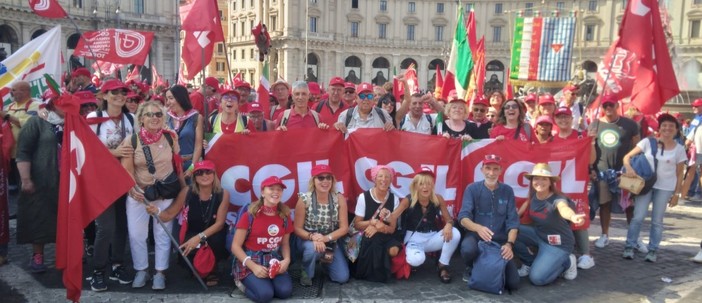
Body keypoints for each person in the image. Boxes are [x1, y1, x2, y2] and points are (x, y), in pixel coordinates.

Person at [121, 101, 184, 290]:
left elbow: (177, 166)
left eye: (158, 114)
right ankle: (141, 270)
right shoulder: (131, 140)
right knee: (136, 235)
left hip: (165, 193)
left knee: (163, 234)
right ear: (141, 118)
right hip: (139, 194)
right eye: (150, 115)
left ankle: (160, 272)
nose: (155, 118)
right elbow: (127, 172)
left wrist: (183, 190)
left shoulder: (171, 137)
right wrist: (134, 190)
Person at [85, 79, 135, 291]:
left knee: (122, 225)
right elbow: (87, 149)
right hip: (101, 180)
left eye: (123, 92)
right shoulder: (93, 118)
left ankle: (117, 264)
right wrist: (114, 153)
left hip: (124, 178)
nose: (119, 95)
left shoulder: (131, 117)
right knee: (105, 227)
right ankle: (98, 270)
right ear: (104, 96)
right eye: (114, 92)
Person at [147, 160, 230, 286]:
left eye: (208, 172)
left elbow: (219, 224)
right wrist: (156, 211)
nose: (204, 176)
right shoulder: (187, 192)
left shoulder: (223, 194)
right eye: (199, 173)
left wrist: (199, 238)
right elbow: (169, 214)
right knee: (188, 252)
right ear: (194, 177)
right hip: (191, 234)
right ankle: (198, 267)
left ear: (214, 175)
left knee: (217, 240)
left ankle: (213, 269)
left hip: (212, 234)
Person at [622, 114, 686, 262]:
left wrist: (677, 193)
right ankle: (630, 246)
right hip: (645, 186)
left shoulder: (679, 149)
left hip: (665, 188)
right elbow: (627, 157)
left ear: (676, 129)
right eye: (664, 125)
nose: (667, 128)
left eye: (671, 126)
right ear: (659, 128)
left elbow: (679, 172)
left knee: (657, 220)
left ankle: (653, 250)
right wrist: (629, 168)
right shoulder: (647, 142)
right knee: (638, 217)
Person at [15, 94, 64, 273]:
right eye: (60, 104)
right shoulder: (36, 123)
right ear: (51, 105)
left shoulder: (73, 122)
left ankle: (67, 254)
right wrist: (26, 179)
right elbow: (23, 152)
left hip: (66, 180)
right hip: (42, 178)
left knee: (66, 218)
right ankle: (38, 255)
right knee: (39, 217)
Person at [514, 163, 585, 286]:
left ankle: (567, 262)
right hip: (539, 235)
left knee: (537, 279)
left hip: (558, 244)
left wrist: (573, 216)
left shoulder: (558, 199)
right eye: (536, 178)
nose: (539, 182)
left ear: (550, 181)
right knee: (510, 230)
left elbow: (564, 209)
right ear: (531, 181)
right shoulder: (533, 194)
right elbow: (525, 206)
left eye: (544, 178)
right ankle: (529, 262)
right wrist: (512, 219)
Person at [457, 155, 520, 289]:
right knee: (468, 248)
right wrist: (477, 228)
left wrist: (509, 245)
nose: (491, 173)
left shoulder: (507, 190)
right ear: (481, 169)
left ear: (501, 170)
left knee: (513, 283)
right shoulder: (472, 189)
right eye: (488, 168)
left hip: (500, 240)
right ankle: (471, 266)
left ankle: (490, 266)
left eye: (495, 169)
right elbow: (463, 217)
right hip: (476, 237)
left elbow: (513, 222)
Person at [587, 95, 640, 249]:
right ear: (602, 107)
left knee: (630, 205)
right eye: (605, 105)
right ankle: (604, 235)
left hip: (625, 171)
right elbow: (589, 149)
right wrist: (591, 169)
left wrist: (632, 167)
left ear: (617, 105)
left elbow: (637, 148)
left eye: (611, 105)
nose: (608, 108)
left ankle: (633, 237)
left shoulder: (630, 124)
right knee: (605, 204)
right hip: (602, 171)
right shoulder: (594, 125)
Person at [231, 176, 294, 303]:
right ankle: (240, 283)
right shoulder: (249, 216)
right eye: (271, 188)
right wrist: (254, 267)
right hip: (251, 260)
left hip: (274, 260)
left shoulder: (285, 215)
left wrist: (286, 260)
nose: (276, 192)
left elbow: (285, 243)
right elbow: (235, 247)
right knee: (265, 295)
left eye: (279, 189)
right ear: (262, 192)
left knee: (285, 292)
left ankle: (264, 284)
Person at [394, 167, 460, 283]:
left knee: (455, 233)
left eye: (428, 184)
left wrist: (449, 225)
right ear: (416, 186)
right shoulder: (408, 200)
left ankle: (442, 265)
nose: (425, 187)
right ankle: (412, 258)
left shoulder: (438, 198)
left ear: (432, 185)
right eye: (421, 184)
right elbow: (393, 216)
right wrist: (383, 216)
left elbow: (449, 219)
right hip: (413, 239)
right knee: (416, 260)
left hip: (431, 238)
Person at [553, 106, 596, 270]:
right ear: (555, 120)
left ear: (572, 119)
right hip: (558, 184)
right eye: (559, 117)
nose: (563, 120)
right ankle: (567, 252)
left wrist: (590, 142)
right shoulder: (551, 140)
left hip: (576, 184)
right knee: (560, 218)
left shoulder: (581, 136)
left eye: (566, 117)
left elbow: (591, 160)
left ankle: (586, 254)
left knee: (579, 215)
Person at [294, 164, 349, 286]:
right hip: (308, 238)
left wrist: (326, 238)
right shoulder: (304, 199)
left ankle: (324, 262)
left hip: (330, 240)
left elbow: (344, 228)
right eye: (320, 178)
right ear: (313, 180)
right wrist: (313, 237)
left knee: (342, 277)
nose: (325, 181)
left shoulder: (339, 198)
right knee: (311, 249)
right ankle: (306, 273)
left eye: (328, 177)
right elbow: (297, 229)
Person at [352, 165, 402, 282]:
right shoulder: (363, 197)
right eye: (380, 176)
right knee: (373, 239)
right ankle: (374, 273)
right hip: (367, 233)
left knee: (394, 250)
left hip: (386, 234)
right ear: (374, 179)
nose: (383, 180)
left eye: (387, 177)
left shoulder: (394, 199)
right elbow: (357, 224)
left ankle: (384, 269)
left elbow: (392, 229)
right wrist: (372, 223)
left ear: (391, 180)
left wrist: (380, 228)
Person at [166, 85, 204, 173]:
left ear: (180, 98)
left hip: (190, 164)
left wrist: (191, 169)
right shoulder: (167, 118)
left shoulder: (196, 117)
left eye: (171, 98)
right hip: (170, 166)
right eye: (167, 99)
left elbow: (198, 146)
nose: (168, 102)